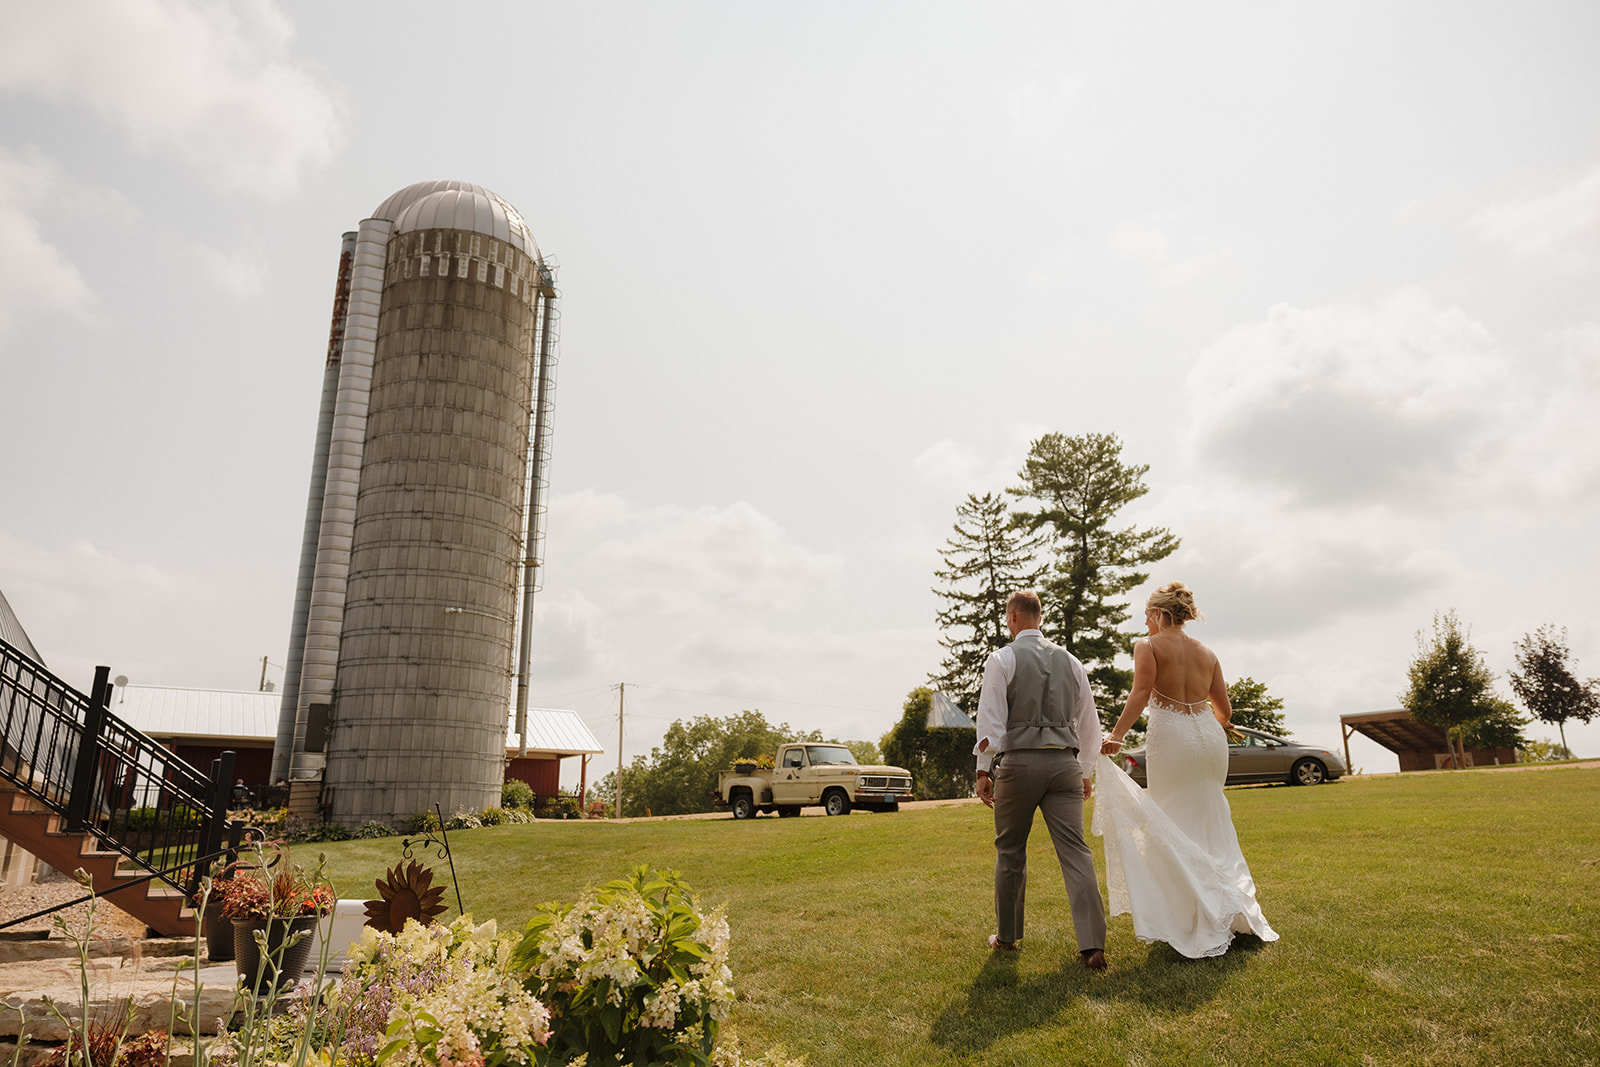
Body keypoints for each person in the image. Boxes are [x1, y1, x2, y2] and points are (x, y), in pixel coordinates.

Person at [1095, 581, 1278, 958]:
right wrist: (1215, 723)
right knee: (1213, 822)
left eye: (1148, 614)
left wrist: (1115, 734)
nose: (1145, 622)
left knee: (1174, 822)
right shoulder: (1208, 653)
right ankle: (1232, 909)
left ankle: (1195, 916)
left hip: (1173, 742)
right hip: (1210, 741)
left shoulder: (1147, 646)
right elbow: (1224, 712)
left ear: (1160, 614)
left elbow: (1142, 691)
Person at [974, 591, 1108, 969]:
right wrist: (1084, 772)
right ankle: (1093, 946)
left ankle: (1007, 937)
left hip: (1018, 765)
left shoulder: (1002, 659)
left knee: (1011, 850)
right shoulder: (1071, 661)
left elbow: (991, 720)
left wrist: (984, 769)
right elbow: (1089, 725)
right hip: (1064, 766)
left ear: (1013, 616)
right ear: (1040, 616)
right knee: (1076, 852)